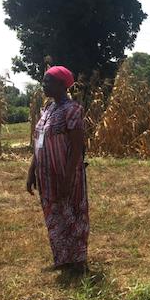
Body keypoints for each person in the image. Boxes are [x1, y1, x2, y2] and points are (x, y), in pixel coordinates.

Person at [26, 66, 89, 276]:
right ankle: (62, 259)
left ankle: (78, 261)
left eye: (48, 81)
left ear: (62, 85)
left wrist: (67, 177)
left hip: (65, 174)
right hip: (46, 176)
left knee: (73, 214)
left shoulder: (72, 110)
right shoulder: (48, 109)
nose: (43, 85)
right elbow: (39, 142)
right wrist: (31, 172)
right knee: (54, 215)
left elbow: (77, 147)